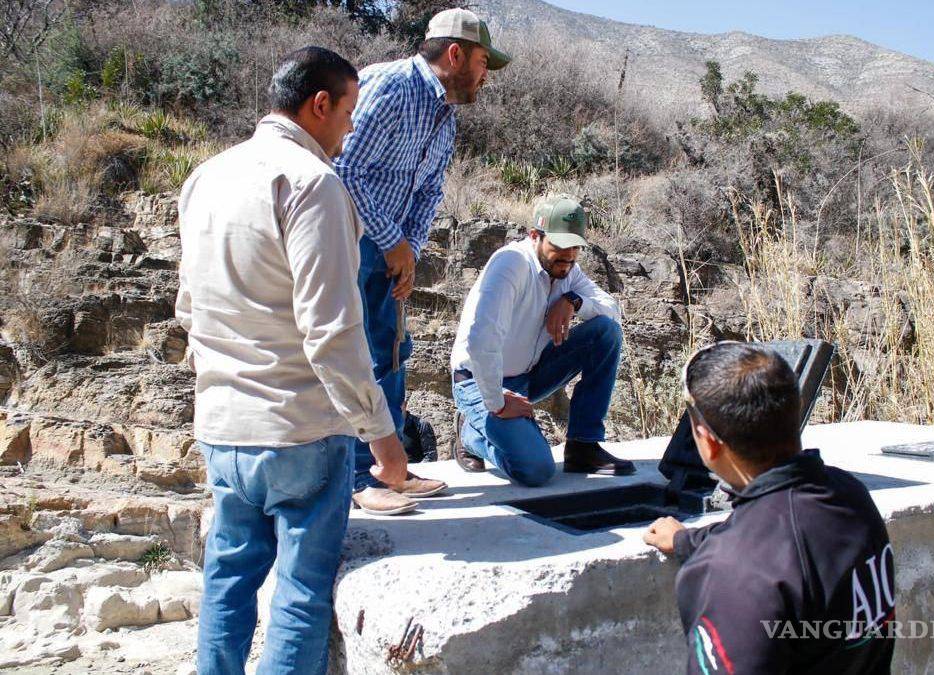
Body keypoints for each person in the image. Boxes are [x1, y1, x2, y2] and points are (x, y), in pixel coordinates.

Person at [176, 47, 408, 675]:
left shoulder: (205, 176)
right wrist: (384, 442)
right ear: (320, 104)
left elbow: (189, 310)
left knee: (227, 582)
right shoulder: (314, 183)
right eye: (349, 112)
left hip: (223, 430)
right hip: (301, 430)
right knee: (301, 596)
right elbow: (331, 332)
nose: (351, 129)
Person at [334, 7, 511, 515]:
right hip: (351, 243)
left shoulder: (445, 113)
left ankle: (388, 470)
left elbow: (429, 189)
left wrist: (408, 249)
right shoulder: (389, 87)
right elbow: (345, 167)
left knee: (390, 354)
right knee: (354, 357)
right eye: (481, 62)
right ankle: (354, 478)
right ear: (454, 54)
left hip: (391, 250)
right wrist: (391, 241)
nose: (484, 75)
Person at [644, 341, 896, 674]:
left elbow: (762, 553)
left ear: (707, 440)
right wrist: (685, 541)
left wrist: (711, 555)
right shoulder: (848, 495)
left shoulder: (730, 574)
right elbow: (781, 541)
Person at [449, 194, 636, 487]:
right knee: (536, 470)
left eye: (575, 246)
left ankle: (583, 446)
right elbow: (480, 339)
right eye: (560, 245)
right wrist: (496, 402)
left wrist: (573, 301)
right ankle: (472, 434)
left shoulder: (567, 270)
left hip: (529, 377)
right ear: (535, 235)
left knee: (605, 332)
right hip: (479, 381)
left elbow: (613, 311)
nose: (569, 255)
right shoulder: (511, 264)